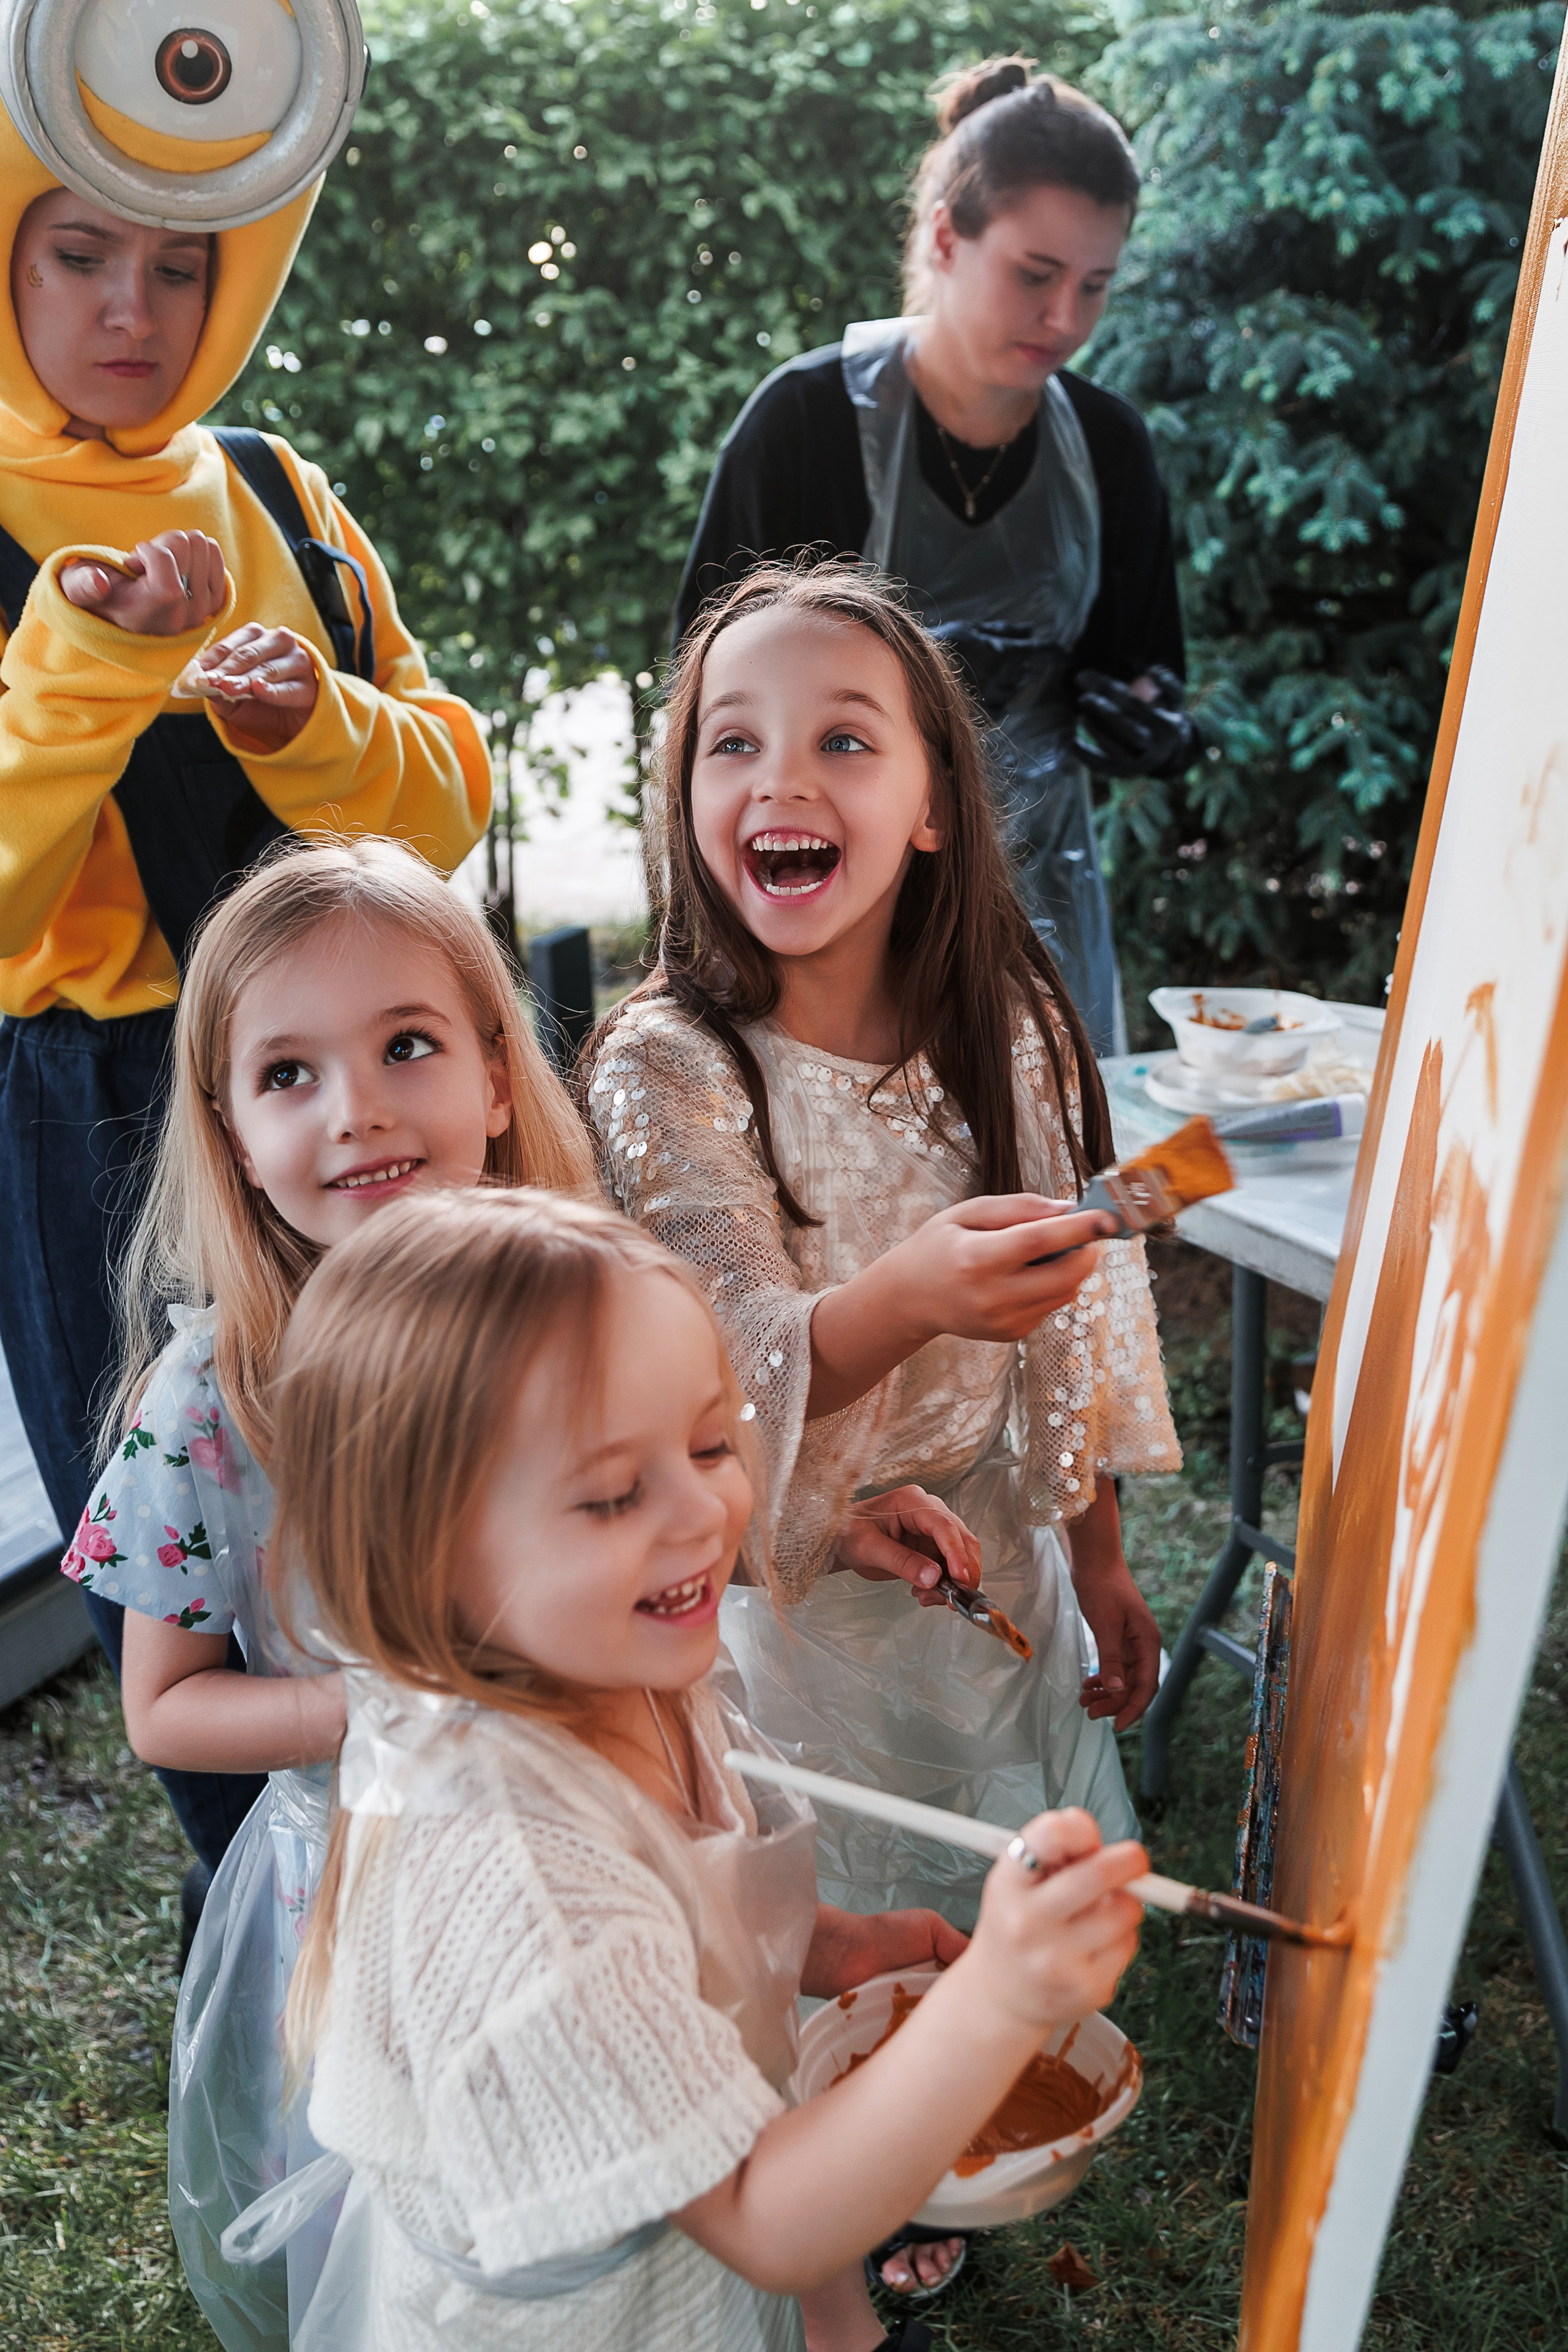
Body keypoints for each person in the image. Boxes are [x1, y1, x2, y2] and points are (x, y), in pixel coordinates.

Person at [218, 1186, 1146, 2352]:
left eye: (711, 1445)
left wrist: (828, 1946)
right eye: (613, 1493)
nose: (705, 1510)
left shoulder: (615, 1674)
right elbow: (765, 2220)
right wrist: (1000, 1998)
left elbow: (686, 1887)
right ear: (424, 1556)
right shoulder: (524, 1889)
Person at [587, 562, 1177, 2302]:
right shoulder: (667, 1066)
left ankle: (960, 2129)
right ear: (683, 796)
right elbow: (719, 1372)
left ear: (932, 806)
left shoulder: (1015, 1025)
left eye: (844, 740)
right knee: (832, 1919)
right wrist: (908, 1297)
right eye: (732, 743)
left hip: (990, 1581)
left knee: (973, 1883)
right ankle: (851, 2193)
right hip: (789, 1605)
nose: (781, 777)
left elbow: (1078, 1320)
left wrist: (1096, 1554)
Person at [0, 69, 492, 1884]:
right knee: (187, 1538)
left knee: (428, 1464)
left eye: (181, 264)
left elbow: (445, 799)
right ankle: (276, 1910)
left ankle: (481, 1838)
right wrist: (91, 660)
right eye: (79, 255)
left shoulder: (282, 491)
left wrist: (316, 730)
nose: (133, 309)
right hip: (104, 1109)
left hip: (362, 1070)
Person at [59, 840, 595, 2352]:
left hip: (587, 1840)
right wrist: (389, 1705)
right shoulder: (211, 1402)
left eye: (405, 1046)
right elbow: (165, 1710)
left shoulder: (585, 1324)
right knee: (410, 2240)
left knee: (596, 2186)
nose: (354, 1109)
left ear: (498, 1077)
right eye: (287, 1075)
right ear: (231, 1136)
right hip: (363, 1899)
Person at [674, 56, 1200, 1056]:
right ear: (947, 238)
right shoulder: (804, 424)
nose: (1067, 320)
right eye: (1036, 276)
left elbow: (1146, 665)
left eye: (1095, 286)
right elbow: (702, 698)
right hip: (824, 915)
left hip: (1041, 906)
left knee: (1042, 1135)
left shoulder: (1112, 447)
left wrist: (1147, 722)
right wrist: (912, 678)